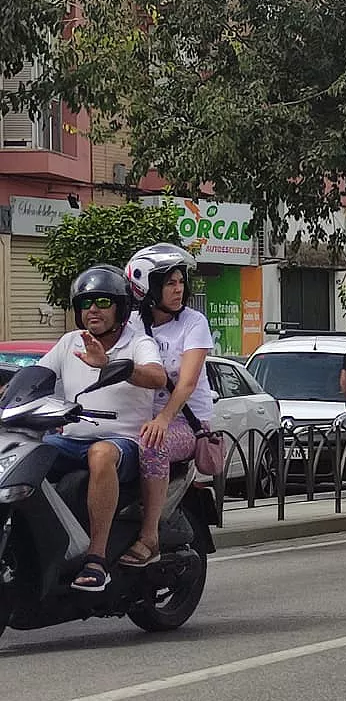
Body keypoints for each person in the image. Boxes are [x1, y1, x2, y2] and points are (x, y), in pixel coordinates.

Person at [35, 266, 167, 591]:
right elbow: (36, 378)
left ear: (120, 307)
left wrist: (109, 364)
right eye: (86, 302)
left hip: (122, 444)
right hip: (72, 440)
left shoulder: (139, 343)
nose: (92, 309)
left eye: (102, 301)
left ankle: (96, 559)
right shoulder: (69, 343)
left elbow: (157, 377)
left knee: (100, 453)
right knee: (27, 452)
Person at [123, 242, 216, 568]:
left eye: (181, 282)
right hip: (138, 418)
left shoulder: (193, 323)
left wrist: (163, 419)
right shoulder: (130, 324)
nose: (179, 290)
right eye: (169, 283)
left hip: (187, 423)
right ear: (146, 288)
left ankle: (150, 538)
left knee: (152, 444)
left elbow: (188, 382)